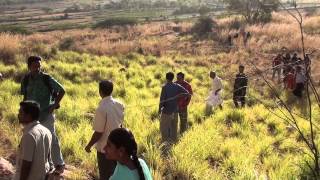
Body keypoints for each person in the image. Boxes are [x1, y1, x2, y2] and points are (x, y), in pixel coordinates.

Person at [20, 56, 65, 174]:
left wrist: (54, 105)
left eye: (39, 66)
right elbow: (25, 96)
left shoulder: (46, 78)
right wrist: (23, 112)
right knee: (34, 140)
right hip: (31, 116)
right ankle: (46, 165)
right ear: (29, 67)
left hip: (46, 114)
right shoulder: (25, 79)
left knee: (52, 138)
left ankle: (59, 164)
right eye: (35, 66)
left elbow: (62, 90)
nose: (37, 68)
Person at [85, 80, 125, 180]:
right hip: (118, 146)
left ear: (100, 91)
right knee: (117, 175)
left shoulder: (101, 108)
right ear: (111, 91)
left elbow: (98, 132)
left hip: (105, 150)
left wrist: (89, 145)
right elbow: (120, 125)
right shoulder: (120, 104)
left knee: (106, 176)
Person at [14, 101, 52, 180]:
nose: (18, 115)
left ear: (29, 116)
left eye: (21, 112)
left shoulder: (29, 135)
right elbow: (47, 159)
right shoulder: (46, 131)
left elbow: (26, 165)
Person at [159, 72, 190, 143]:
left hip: (166, 112)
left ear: (166, 78)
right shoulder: (177, 86)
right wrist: (180, 95)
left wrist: (159, 110)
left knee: (164, 128)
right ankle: (174, 143)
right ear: (173, 78)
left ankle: (165, 144)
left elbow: (162, 100)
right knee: (174, 128)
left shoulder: (165, 87)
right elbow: (188, 94)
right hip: (175, 111)